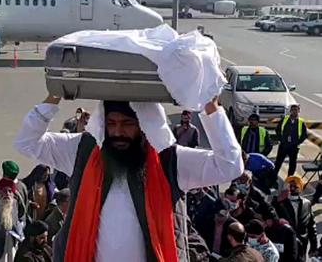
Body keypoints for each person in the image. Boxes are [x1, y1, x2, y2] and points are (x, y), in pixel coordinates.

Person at [14, 95, 243, 261]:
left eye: (127, 124)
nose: (118, 132)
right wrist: (55, 95)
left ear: (143, 126)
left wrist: (210, 107)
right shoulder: (82, 152)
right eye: (111, 124)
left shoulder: (169, 161)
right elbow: (27, 142)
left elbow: (230, 166)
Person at [272, 176, 318, 260]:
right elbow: (269, 213)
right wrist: (278, 200)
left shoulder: (306, 203)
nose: (292, 188)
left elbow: (311, 225)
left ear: (300, 188)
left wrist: (313, 246)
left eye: (295, 186)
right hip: (284, 242)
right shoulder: (278, 201)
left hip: (301, 243)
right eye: (290, 186)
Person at [275, 104, 307, 177]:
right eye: (293, 110)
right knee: (278, 162)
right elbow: (278, 130)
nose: (294, 112)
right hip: (284, 145)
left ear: (299, 111)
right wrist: (281, 139)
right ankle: (273, 178)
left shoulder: (301, 122)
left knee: (292, 163)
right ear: (290, 111)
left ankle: (289, 178)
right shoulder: (285, 119)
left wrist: (297, 143)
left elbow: (304, 135)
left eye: (296, 110)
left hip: (294, 147)